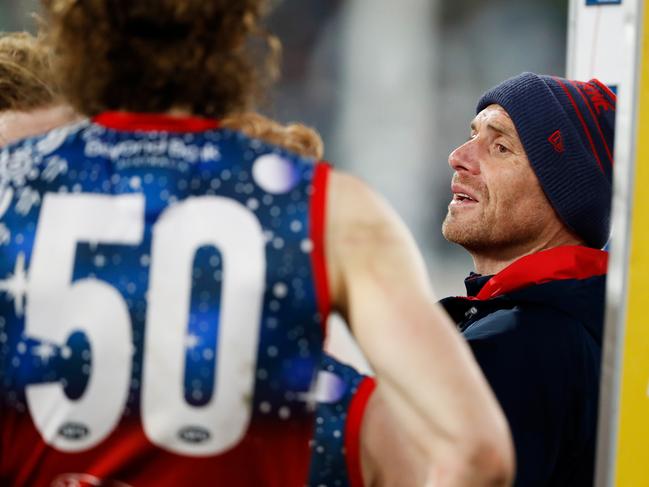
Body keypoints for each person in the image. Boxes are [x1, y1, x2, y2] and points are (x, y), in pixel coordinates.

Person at [0, 4, 513, 487]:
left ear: (74, 28)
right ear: (235, 29)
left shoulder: (10, 183)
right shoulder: (329, 206)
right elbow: (475, 452)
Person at [440, 72, 614, 486]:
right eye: (473, 134)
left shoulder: (514, 344)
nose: (459, 156)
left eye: (500, 147)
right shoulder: (577, 323)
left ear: (563, 194)